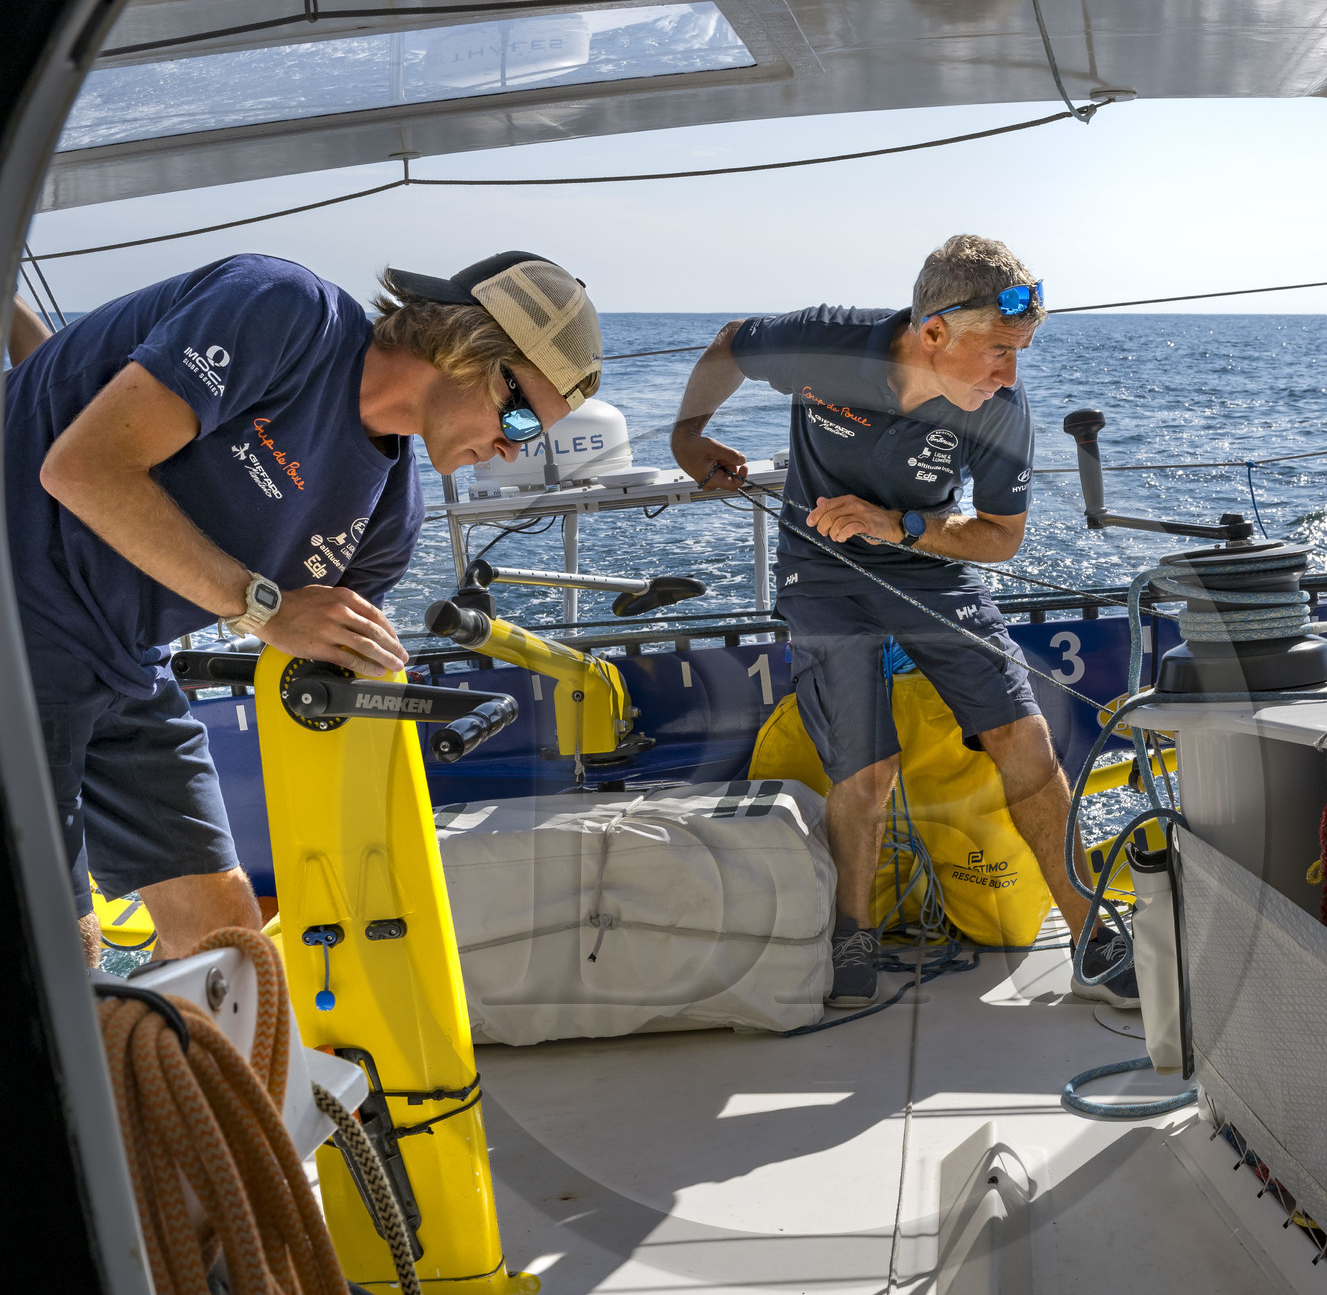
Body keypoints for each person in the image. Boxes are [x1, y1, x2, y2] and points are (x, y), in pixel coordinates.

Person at [5, 248, 602, 966]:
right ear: (471, 348)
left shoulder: (388, 515)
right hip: (19, 613)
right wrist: (265, 608)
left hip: (122, 661)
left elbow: (319, 666)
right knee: (61, 959)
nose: (512, 450)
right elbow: (80, 466)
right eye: (526, 420)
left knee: (228, 952)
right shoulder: (285, 310)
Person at [671, 233, 1135, 1010]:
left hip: (927, 557)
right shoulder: (824, 344)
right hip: (820, 569)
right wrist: (688, 434)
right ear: (932, 333)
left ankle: (1088, 928)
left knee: (1023, 737)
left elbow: (1000, 535)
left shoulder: (1001, 411)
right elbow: (730, 346)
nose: (1010, 374)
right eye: (997, 351)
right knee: (868, 767)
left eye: (1021, 352)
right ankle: (853, 931)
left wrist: (903, 528)